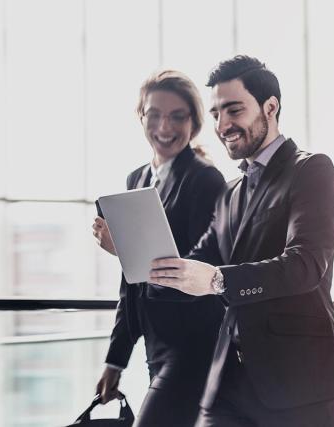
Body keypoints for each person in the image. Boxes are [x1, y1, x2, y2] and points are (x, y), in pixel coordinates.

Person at [146, 55, 334, 426]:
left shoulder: (312, 170)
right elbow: (193, 263)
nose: (222, 125)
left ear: (270, 107)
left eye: (233, 110)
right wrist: (136, 253)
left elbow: (305, 266)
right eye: (216, 113)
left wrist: (217, 280)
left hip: (300, 384)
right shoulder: (229, 193)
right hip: (228, 385)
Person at [92, 70, 226, 427]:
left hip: (194, 346)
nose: (164, 126)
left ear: (194, 123)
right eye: (154, 114)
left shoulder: (204, 179)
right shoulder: (136, 179)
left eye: (177, 116)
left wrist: (123, 249)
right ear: (141, 117)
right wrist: (115, 361)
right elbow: (131, 283)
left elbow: (199, 275)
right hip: (156, 346)